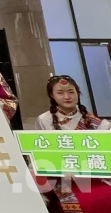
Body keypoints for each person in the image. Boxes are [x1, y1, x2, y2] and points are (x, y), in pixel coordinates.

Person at [36, 75, 111, 213]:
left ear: (77, 93)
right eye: (60, 93)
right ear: (52, 95)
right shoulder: (44, 120)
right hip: (61, 177)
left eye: (71, 92)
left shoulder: (92, 120)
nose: (67, 96)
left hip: (93, 174)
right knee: (82, 203)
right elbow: (41, 152)